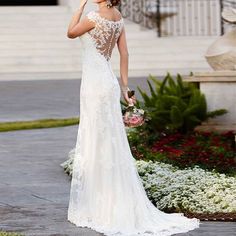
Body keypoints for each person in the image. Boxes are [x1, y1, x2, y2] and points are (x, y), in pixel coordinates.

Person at [62, 0, 201, 235]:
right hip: (109, 82)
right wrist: (126, 89)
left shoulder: (93, 17)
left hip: (95, 86)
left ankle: (100, 204)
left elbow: (70, 33)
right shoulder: (118, 18)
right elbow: (124, 53)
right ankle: (110, 199)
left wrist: (78, 9)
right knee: (110, 141)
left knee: (96, 140)